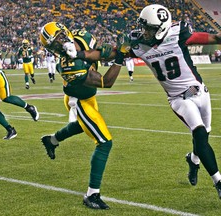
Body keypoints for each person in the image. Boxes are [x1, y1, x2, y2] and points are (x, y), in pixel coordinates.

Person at [71, 4, 221, 199]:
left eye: (149, 28)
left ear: (161, 28)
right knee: (199, 133)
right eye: (144, 26)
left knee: (204, 138)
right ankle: (218, 181)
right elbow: (107, 53)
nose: (144, 31)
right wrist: (78, 54)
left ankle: (193, 161)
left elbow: (214, 38)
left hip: (200, 91)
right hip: (178, 98)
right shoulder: (138, 43)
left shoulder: (178, 34)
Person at [39, 22, 127, 210]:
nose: (59, 45)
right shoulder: (67, 65)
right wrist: (120, 57)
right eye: (54, 45)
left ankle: (52, 140)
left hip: (88, 97)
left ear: (66, 32)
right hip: (78, 100)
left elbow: (101, 52)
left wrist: (118, 51)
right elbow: (106, 82)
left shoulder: (82, 37)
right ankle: (92, 194)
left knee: (81, 125)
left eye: (60, 39)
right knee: (104, 142)